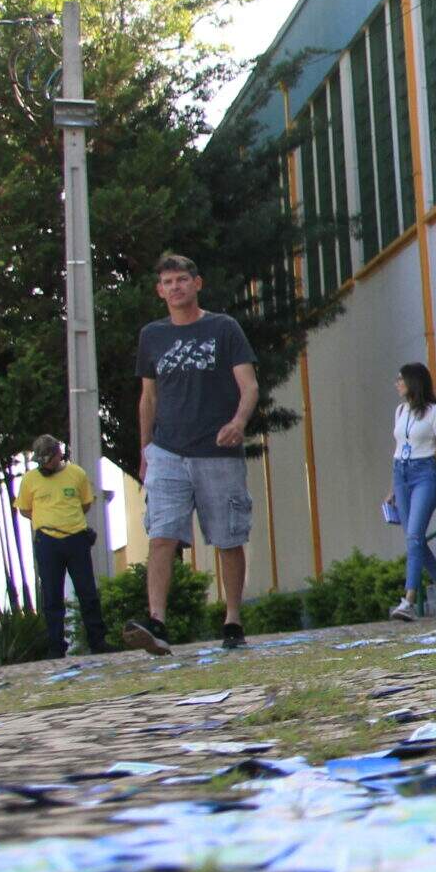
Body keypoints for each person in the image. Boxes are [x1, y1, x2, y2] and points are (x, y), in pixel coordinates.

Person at [130, 253, 257, 655]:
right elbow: (148, 396)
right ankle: (156, 621)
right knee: (162, 534)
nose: (175, 288)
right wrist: (145, 447)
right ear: (159, 290)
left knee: (227, 537)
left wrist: (238, 422)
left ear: (197, 283)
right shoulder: (152, 335)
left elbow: (249, 385)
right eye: (167, 282)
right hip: (167, 450)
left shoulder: (223, 328)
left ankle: (233, 618)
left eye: (181, 280)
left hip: (216, 450)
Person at [14, 436, 109, 658]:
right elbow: (25, 509)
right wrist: (47, 521)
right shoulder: (29, 480)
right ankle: (56, 647)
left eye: (48, 460)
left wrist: (68, 521)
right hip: (47, 542)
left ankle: (98, 641)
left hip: (76, 538)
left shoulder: (77, 474)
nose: (45, 465)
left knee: (87, 592)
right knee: (51, 596)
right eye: (41, 462)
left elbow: (85, 503)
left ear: (58, 455)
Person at [385, 362, 436, 621]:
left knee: (414, 536)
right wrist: (393, 488)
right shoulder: (400, 411)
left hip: (424, 473)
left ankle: (409, 599)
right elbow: (398, 447)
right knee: (414, 539)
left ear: (414, 382)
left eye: (401, 379)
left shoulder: (434, 412)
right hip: (401, 473)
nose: (397, 383)